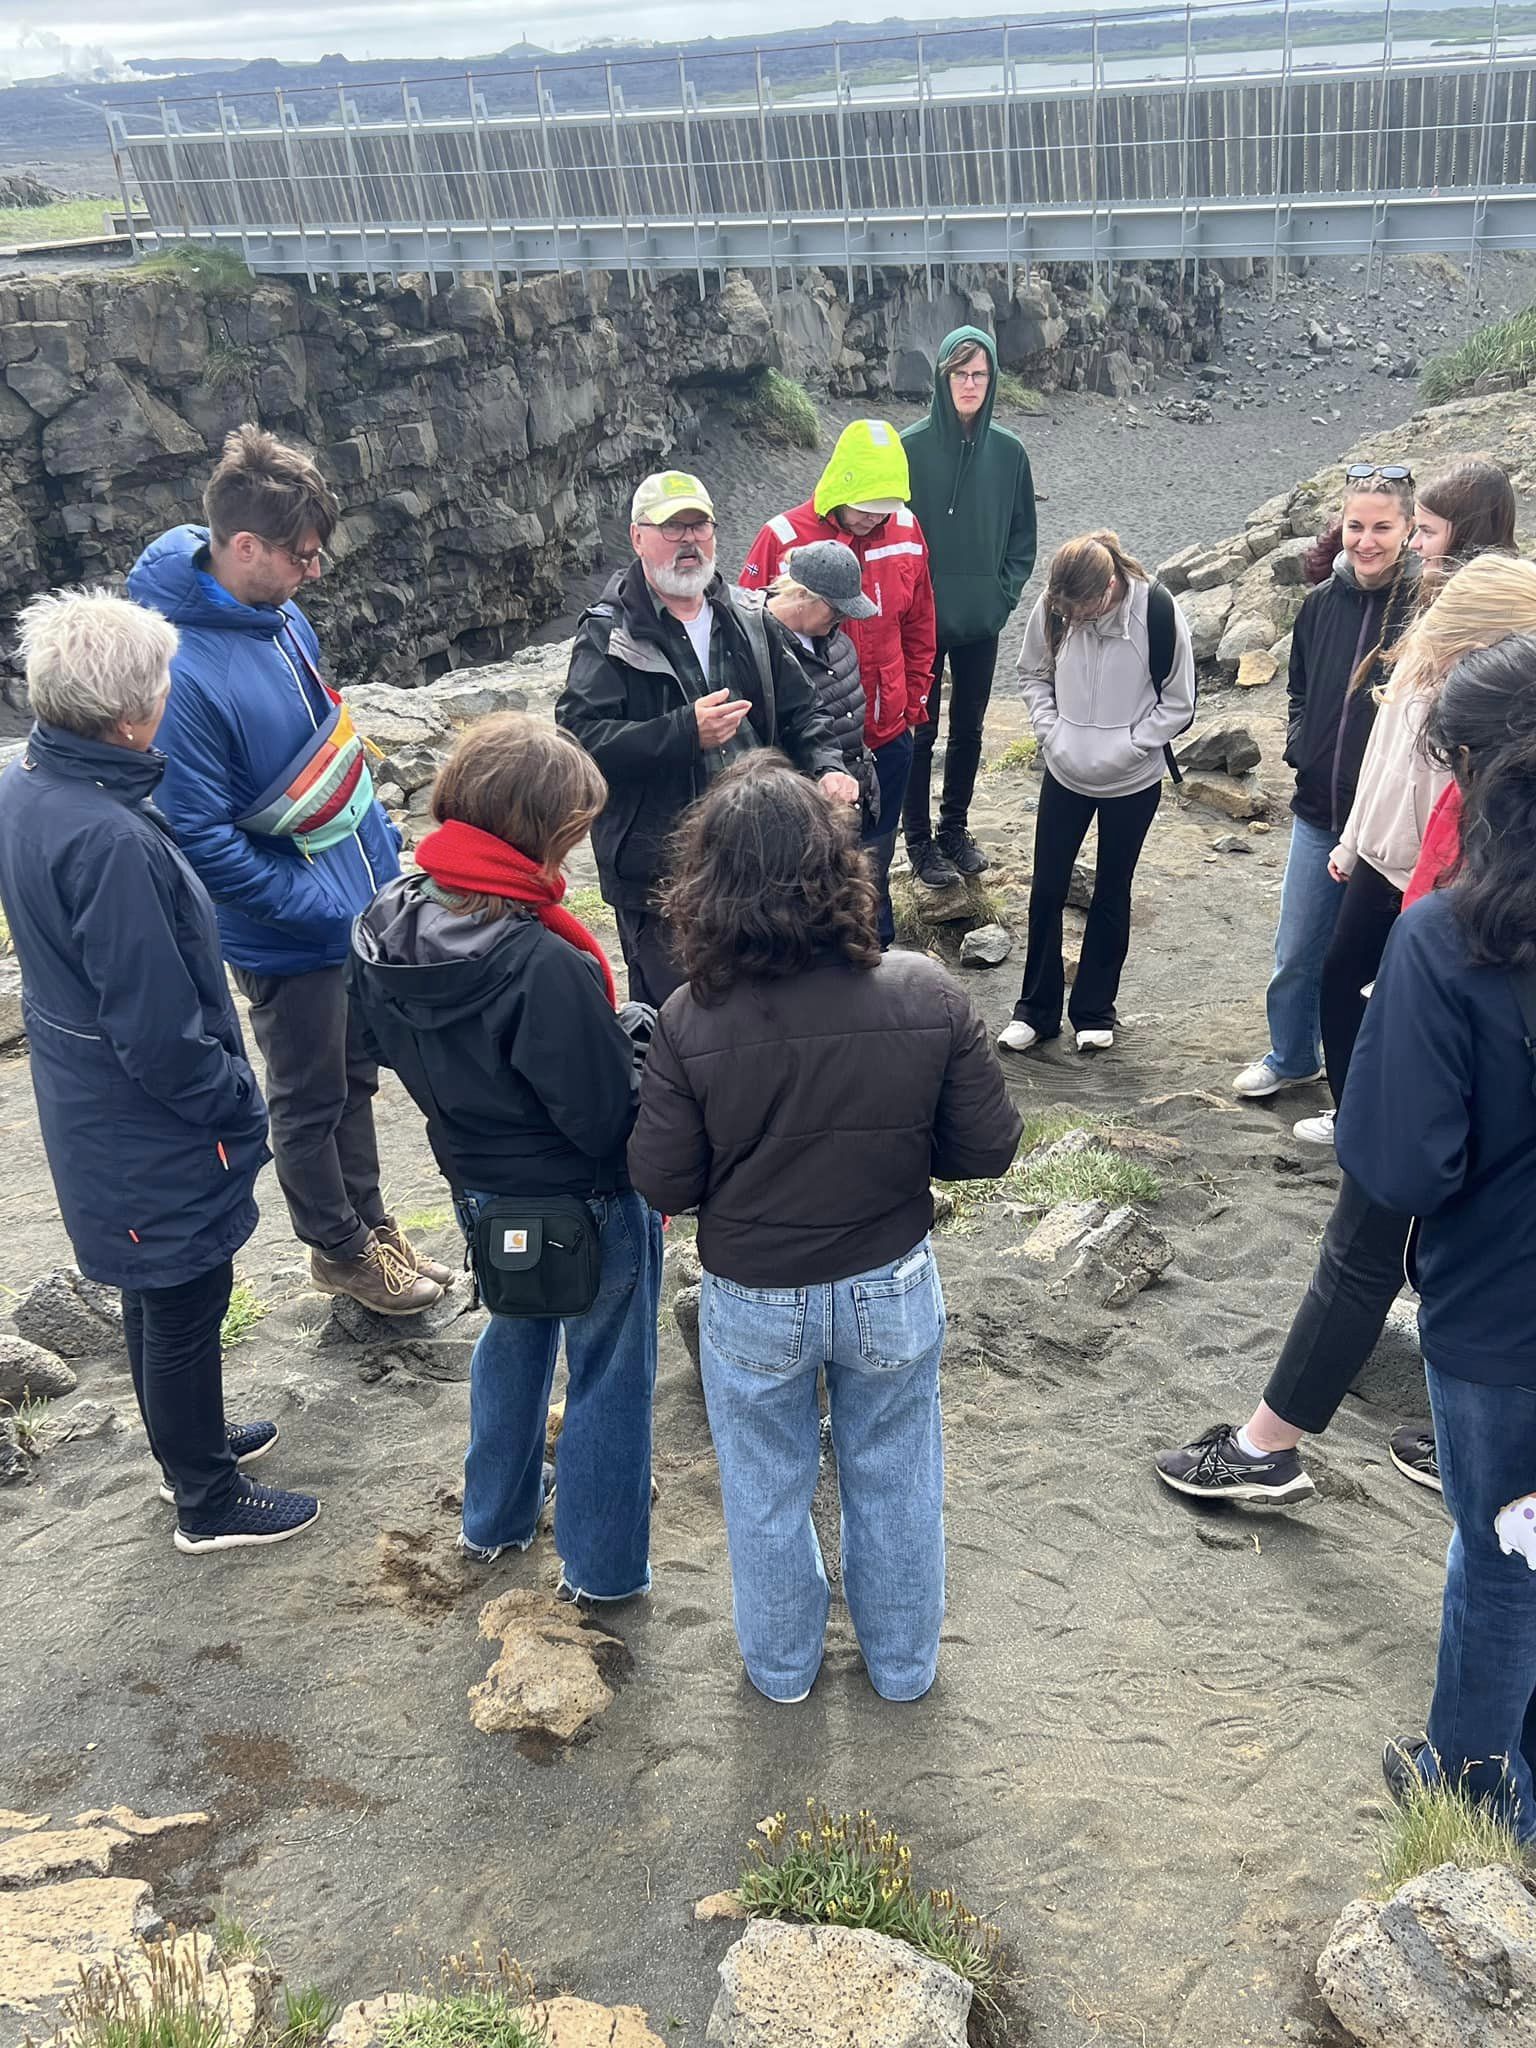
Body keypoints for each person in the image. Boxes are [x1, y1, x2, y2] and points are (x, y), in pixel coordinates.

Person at [627, 754, 1021, 1705]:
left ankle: (783, 1673)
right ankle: (901, 1671)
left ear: (705, 885)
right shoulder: (924, 990)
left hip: (754, 1293)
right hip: (887, 1277)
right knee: (894, 1476)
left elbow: (663, 1179)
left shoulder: (687, 1019)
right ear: (841, 866)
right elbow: (988, 1150)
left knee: (766, 1488)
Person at [1154, 553, 1536, 1509]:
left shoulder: (1489, 789)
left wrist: (1406, 980)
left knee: (1366, 1237)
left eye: (1448, 665)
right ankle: (1469, 1433)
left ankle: (1264, 1448)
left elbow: (1444, 880)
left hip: (1462, 1010)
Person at [0, 591, 319, 1555]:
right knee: (181, 1293)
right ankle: (205, 1500)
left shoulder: (31, 784)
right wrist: (233, 1096)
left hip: (90, 1098)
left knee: (157, 1289)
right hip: (140, 1117)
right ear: (133, 714)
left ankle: (189, 1445)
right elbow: (156, 1028)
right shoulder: (110, 838)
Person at [126, 426, 445, 1317]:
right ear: (243, 547)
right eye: (301, 556)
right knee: (308, 1096)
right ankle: (339, 1253)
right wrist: (315, 911)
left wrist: (380, 872)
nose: (315, 572)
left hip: (344, 906)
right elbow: (197, 835)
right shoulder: (180, 672)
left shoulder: (283, 620)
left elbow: (331, 754)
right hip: (287, 931)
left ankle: (373, 1227)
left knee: (353, 1079)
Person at [348, 714, 662, 1596]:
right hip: (583, 1199)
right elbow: (604, 1121)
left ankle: (493, 1521)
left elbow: (370, 1045)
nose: (575, 846)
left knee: (515, 1337)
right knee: (607, 1375)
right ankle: (602, 1571)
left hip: (478, 1185)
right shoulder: (540, 959)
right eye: (570, 829)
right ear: (537, 832)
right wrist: (635, 1043)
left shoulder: (384, 921)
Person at [1335, 638, 1536, 1835]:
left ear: (1469, 767)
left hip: (1503, 1310)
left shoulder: (1450, 941)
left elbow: (1404, 1160)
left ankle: (1468, 1787)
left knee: (1503, 1548)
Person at [557, 470, 855, 1006]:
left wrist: (828, 767)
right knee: (676, 1015)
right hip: (659, 873)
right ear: (637, 538)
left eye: (699, 525)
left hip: (758, 857)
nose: (689, 540)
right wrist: (682, 733)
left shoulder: (748, 617)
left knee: (762, 1002)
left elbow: (802, 712)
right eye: (672, 528)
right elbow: (578, 741)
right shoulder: (609, 633)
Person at [1317, 461, 1520, 1111]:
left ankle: (1375, 1126)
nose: (1416, 546)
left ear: (1466, 534)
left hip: (1435, 867)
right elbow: (1387, 746)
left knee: (1398, 1000)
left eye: (1426, 531)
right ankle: (1353, 1116)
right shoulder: (1433, 609)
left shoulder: (1501, 642)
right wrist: (1352, 838)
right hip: (1382, 849)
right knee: (1344, 979)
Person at [1231, 467, 1420, 1141]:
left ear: (1407, 526)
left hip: (1390, 827)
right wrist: (1299, 749)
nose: (1366, 541)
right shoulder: (1319, 603)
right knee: (1297, 949)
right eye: (1355, 526)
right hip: (1319, 809)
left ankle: (1360, 1092)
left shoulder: (1421, 605)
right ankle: (1292, 1057)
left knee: (1368, 966)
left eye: (1382, 527)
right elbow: (1301, 690)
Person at [998, 531, 1196, 1057]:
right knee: (1047, 888)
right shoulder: (1055, 606)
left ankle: (1093, 1012)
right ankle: (1034, 1013)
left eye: (1084, 608)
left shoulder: (1155, 609)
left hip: (1132, 779)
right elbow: (1032, 673)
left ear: (1109, 586)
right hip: (1064, 772)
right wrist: (1052, 732)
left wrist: (1131, 745)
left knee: (1112, 890)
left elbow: (1179, 702)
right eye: (1066, 609)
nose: (1075, 619)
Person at [740, 421, 937, 939]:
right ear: (841, 486)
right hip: (811, 752)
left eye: (885, 509)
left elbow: (920, 622)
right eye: (866, 508)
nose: (876, 520)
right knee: (805, 871)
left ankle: (876, 954)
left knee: (875, 860)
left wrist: (912, 700)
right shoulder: (782, 538)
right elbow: (743, 634)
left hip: (887, 737)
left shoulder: (907, 530)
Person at [900, 326, 1038, 885]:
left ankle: (954, 828)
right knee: (919, 729)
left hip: (980, 621)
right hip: (920, 622)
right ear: (942, 377)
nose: (970, 384)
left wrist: (999, 596)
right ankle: (919, 843)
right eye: (960, 373)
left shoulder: (1010, 454)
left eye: (980, 374)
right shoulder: (908, 448)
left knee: (970, 729)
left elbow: (1023, 538)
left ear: (993, 379)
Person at [759, 541, 881, 828]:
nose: (842, 618)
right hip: (797, 814)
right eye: (835, 609)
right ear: (801, 594)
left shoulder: (837, 641)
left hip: (850, 802)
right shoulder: (755, 644)